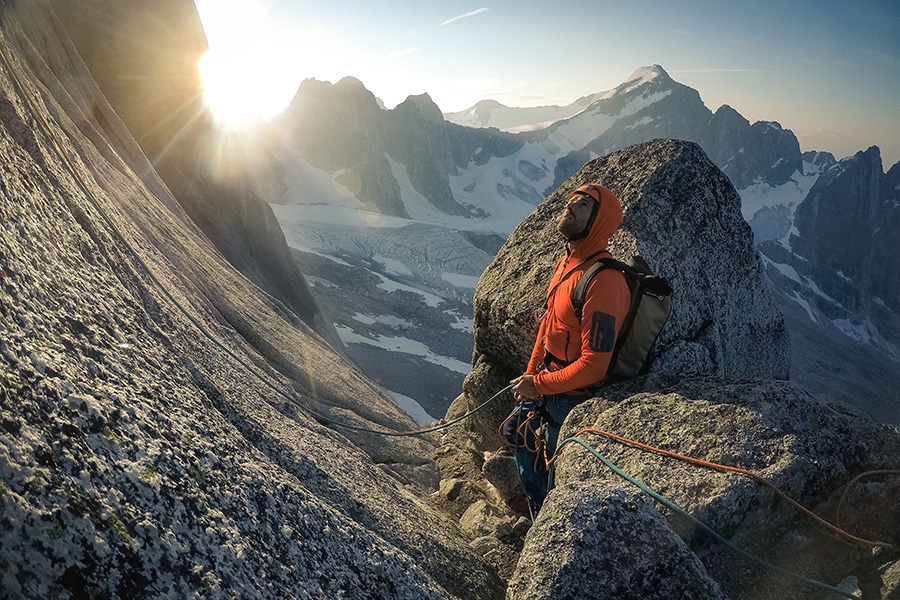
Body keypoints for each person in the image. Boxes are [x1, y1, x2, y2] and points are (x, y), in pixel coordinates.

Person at [500, 183, 630, 516]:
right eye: (572, 200)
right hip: (549, 379)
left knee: (560, 469)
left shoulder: (603, 281)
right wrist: (531, 375)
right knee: (515, 430)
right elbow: (547, 327)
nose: (570, 206)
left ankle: (542, 511)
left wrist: (538, 385)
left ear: (598, 222)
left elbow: (594, 365)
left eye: (583, 205)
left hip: (574, 393)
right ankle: (534, 498)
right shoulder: (567, 264)